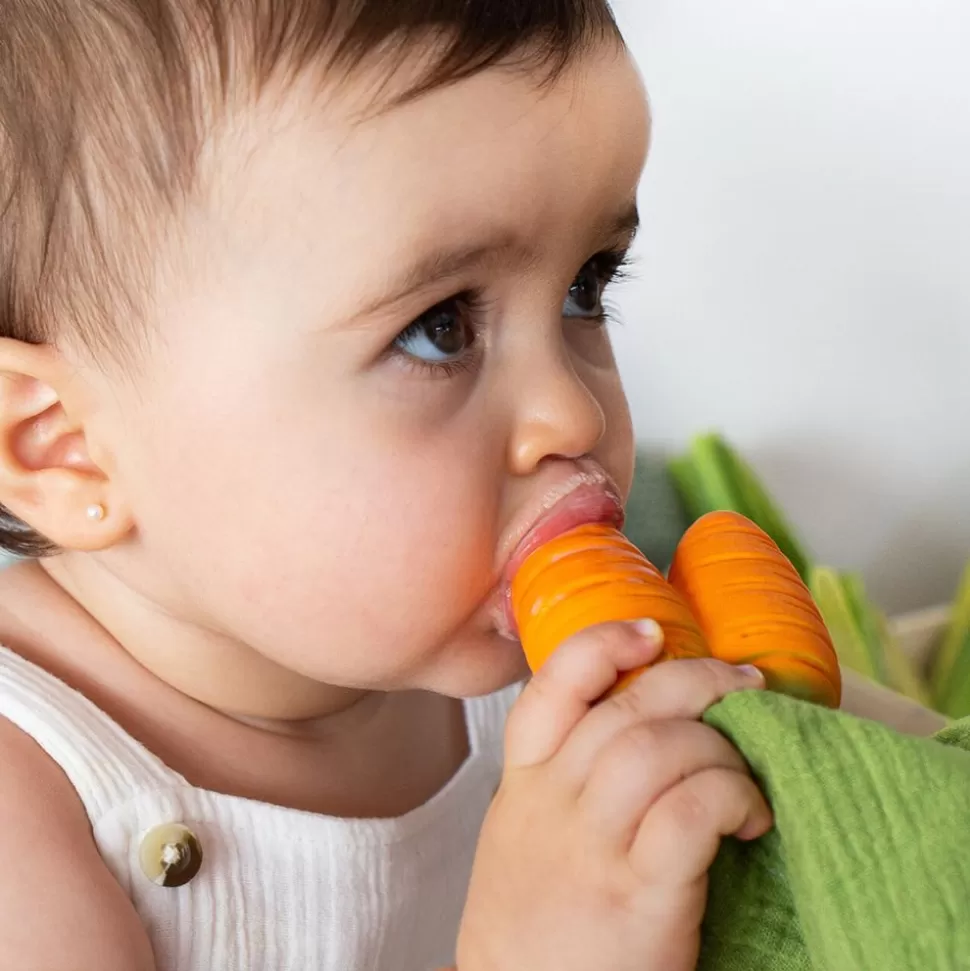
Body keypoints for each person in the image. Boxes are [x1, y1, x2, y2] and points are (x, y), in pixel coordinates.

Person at [0, 2, 776, 969]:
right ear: (66, 445)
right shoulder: (29, 809)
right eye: (439, 327)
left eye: (588, 283)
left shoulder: (559, 649)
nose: (575, 417)